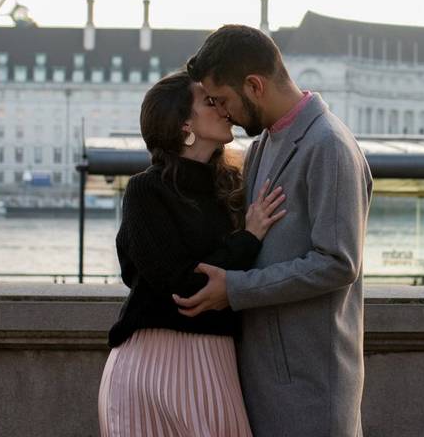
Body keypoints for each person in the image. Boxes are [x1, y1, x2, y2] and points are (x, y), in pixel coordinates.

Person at [178, 25, 373, 437]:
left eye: (223, 100)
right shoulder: (264, 146)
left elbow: (337, 262)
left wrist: (236, 288)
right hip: (265, 383)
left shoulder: (329, 146)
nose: (222, 111)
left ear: (254, 85)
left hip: (311, 392)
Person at [98, 70, 287, 437]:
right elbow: (182, 286)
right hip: (152, 368)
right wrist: (248, 238)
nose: (223, 108)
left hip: (219, 361)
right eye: (209, 101)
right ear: (184, 122)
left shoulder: (233, 187)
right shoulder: (146, 191)